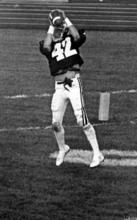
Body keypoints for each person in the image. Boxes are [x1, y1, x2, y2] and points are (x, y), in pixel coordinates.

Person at [39, 9, 104, 168]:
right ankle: (63, 148)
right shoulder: (49, 44)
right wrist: (51, 26)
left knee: (82, 120)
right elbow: (46, 46)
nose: (59, 30)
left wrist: (65, 19)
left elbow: (77, 36)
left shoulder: (71, 38)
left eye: (61, 28)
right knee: (55, 123)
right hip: (59, 87)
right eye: (57, 28)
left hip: (73, 82)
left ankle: (97, 153)